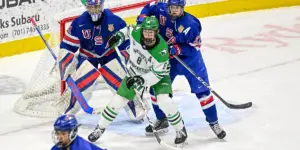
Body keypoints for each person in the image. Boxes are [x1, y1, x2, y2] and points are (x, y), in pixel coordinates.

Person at [87, 16, 188, 147]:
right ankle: (100, 128)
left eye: (151, 32)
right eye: (146, 31)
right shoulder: (137, 31)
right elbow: (127, 30)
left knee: (164, 101)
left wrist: (141, 80)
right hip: (135, 73)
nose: (147, 35)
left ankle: (180, 129)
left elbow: (157, 74)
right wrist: (118, 36)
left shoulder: (161, 50)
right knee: (117, 101)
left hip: (158, 76)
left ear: (157, 32)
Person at [136, 0, 226, 139]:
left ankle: (214, 123)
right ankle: (162, 119)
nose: (174, 11)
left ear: (183, 7)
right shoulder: (160, 10)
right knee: (155, 90)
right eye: (172, 7)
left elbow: (195, 47)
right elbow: (149, 7)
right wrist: (142, 18)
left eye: (178, 8)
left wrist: (179, 49)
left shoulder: (191, 24)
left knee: (203, 93)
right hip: (168, 60)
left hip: (191, 61)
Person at [57, 0, 144, 121]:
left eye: (96, 7)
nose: (93, 10)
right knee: (80, 84)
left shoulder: (114, 21)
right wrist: (65, 61)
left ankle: (136, 108)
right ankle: (69, 112)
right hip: (87, 56)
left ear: (102, 6)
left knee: (122, 81)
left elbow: (126, 43)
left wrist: (128, 58)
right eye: (90, 7)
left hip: (109, 54)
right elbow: (67, 46)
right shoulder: (79, 23)